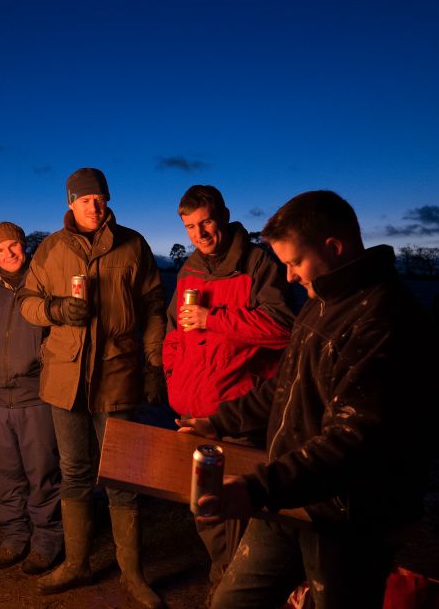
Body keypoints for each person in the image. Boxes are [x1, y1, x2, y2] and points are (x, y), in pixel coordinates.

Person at [178, 190, 437, 609]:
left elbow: (354, 441)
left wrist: (256, 487)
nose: (291, 276)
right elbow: (284, 386)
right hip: (289, 493)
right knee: (230, 601)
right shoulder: (321, 302)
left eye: (295, 262)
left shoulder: (384, 320)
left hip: (348, 517)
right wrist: (218, 422)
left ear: (334, 248)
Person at [17, 168, 167, 607]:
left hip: (116, 373)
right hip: (64, 377)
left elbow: (155, 306)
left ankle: (132, 574)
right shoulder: (51, 248)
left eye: (98, 198)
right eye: (84, 199)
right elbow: (27, 302)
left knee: (123, 473)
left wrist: (154, 363)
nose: (93, 205)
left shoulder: (132, 244)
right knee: (74, 471)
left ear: (107, 199)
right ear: (70, 203)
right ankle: (77, 562)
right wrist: (57, 310)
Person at [163, 185, 294, 586]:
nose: (200, 234)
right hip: (191, 411)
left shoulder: (257, 263)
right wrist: (173, 376)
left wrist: (212, 319)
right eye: (190, 227)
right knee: (204, 509)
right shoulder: (190, 268)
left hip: (236, 413)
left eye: (206, 222)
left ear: (223, 215)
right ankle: (225, 581)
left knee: (234, 511)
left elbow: (283, 328)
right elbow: (173, 331)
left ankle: (233, 588)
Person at [0, 222, 63, 574]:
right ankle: (13, 538)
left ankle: (47, 542)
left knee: (42, 473)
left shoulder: (42, 283)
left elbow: (60, 330)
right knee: (7, 474)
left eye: (12, 246)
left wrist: (41, 354)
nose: (8, 254)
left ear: (23, 245)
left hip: (35, 396)